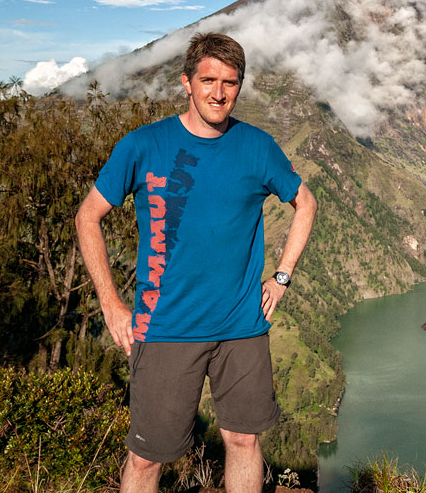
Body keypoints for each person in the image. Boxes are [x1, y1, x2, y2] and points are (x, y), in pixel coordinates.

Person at [76, 32, 317, 493]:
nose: (218, 92)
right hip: (165, 327)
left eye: (230, 82)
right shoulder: (143, 145)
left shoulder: (257, 146)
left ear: (240, 86)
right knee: (147, 458)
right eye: (208, 80)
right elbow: (88, 216)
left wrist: (281, 278)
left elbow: (305, 203)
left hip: (241, 328)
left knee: (244, 439)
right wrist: (110, 304)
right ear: (186, 82)